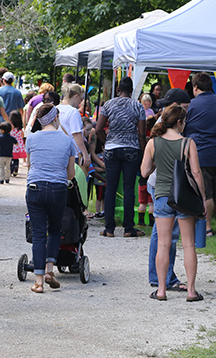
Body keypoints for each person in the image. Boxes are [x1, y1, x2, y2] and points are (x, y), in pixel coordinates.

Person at [141, 104, 205, 302]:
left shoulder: (153, 143)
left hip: (162, 196)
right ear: (179, 122)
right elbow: (196, 173)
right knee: (188, 245)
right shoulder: (188, 143)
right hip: (184, 198)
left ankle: (161, 290)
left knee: (163, 244)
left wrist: (157, 165)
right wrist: (202, 198)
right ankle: (191, 291)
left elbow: (144, 172)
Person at [24, 104, 77, 293]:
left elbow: (29, 166)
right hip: (58, 189)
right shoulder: (68, 141)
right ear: (57, 118)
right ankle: (49, 270)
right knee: (55, 230)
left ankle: (38, 282)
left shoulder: (31, 138)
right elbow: (70, 174)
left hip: (35, 187)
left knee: (39, 234)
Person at [147, 88, 192, 291]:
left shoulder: (160, 127)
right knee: (168, 238)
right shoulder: (173, 130)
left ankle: (161, 280)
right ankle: (163, 278)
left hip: (160, 186)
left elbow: (145, 167)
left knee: (162, 235)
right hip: (169, 187)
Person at [95, 77, 146, 237]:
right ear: (132, 91)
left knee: (110, 187)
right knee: (129, 188)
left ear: (118, 90)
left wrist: (106, 142)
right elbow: (142, 133)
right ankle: (128, 228)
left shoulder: (108, 104)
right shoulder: (138, 106)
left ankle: (109, 228)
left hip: (112, 149)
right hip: (131, 149)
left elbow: (97, 130)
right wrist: (143, 153)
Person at [184, 72, 216, 237]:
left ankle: (207, 228)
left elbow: (186, 129)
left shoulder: (192, 105)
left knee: (207, 193)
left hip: (203, 153)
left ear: (196, 87)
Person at [58, 83, 91, 170]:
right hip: (71, 153)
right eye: (81, 98)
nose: (80, 101)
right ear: (76, 96)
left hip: (57, 151)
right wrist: (85, 153)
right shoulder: (73, 112)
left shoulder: (56, 108)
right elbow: (76, 135)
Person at [8, 111, 27, 177]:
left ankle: (10, 169)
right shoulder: (20, 127)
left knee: (10, 158)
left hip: (11, 144)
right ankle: (16, 168)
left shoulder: (10, 127)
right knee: (16, 158)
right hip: (18, 144)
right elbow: (22, 135)